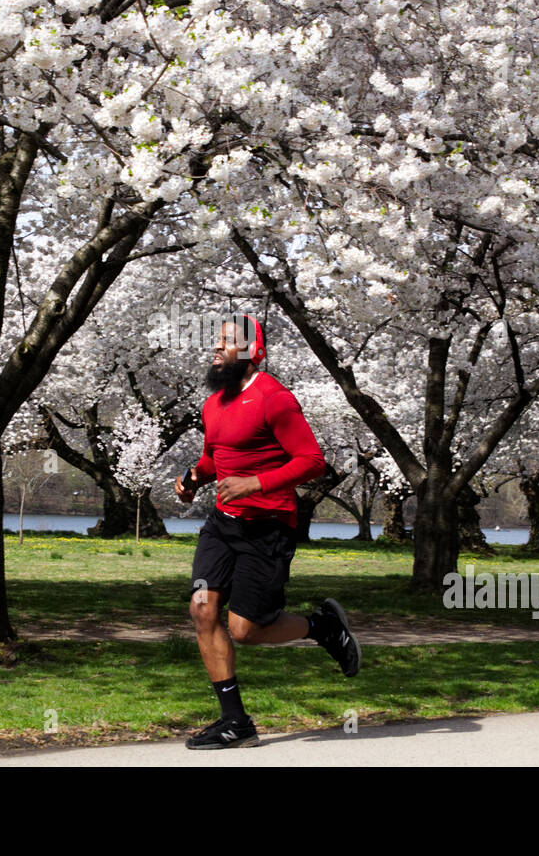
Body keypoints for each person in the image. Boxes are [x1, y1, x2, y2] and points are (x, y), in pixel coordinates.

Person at [175, 313, 362, 750]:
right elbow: (214, 459)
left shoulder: (275, 399)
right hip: (223, 524)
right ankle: (235, 722)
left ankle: (322, 627)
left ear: (253, 352)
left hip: (269, 528)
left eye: (226, 343)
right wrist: (192, 477)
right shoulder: (213, 403)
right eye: (216, 341)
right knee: (203, 610)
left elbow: (312, 461)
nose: (216, 349)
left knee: (246, 630)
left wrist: (255, 483)